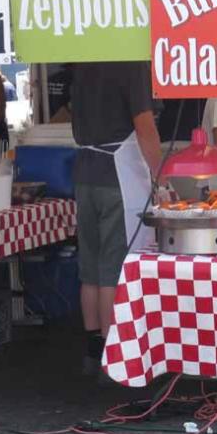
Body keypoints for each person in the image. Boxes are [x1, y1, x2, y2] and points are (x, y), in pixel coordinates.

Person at [71, 62, 163, 375]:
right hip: (117, 177)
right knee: (113, 267)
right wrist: (161, 177)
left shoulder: (84, 64)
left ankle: (92, 350)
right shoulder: (131, 65)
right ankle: (113, 357)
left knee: (91, 267)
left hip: (84, 175)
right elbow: (145, 126)